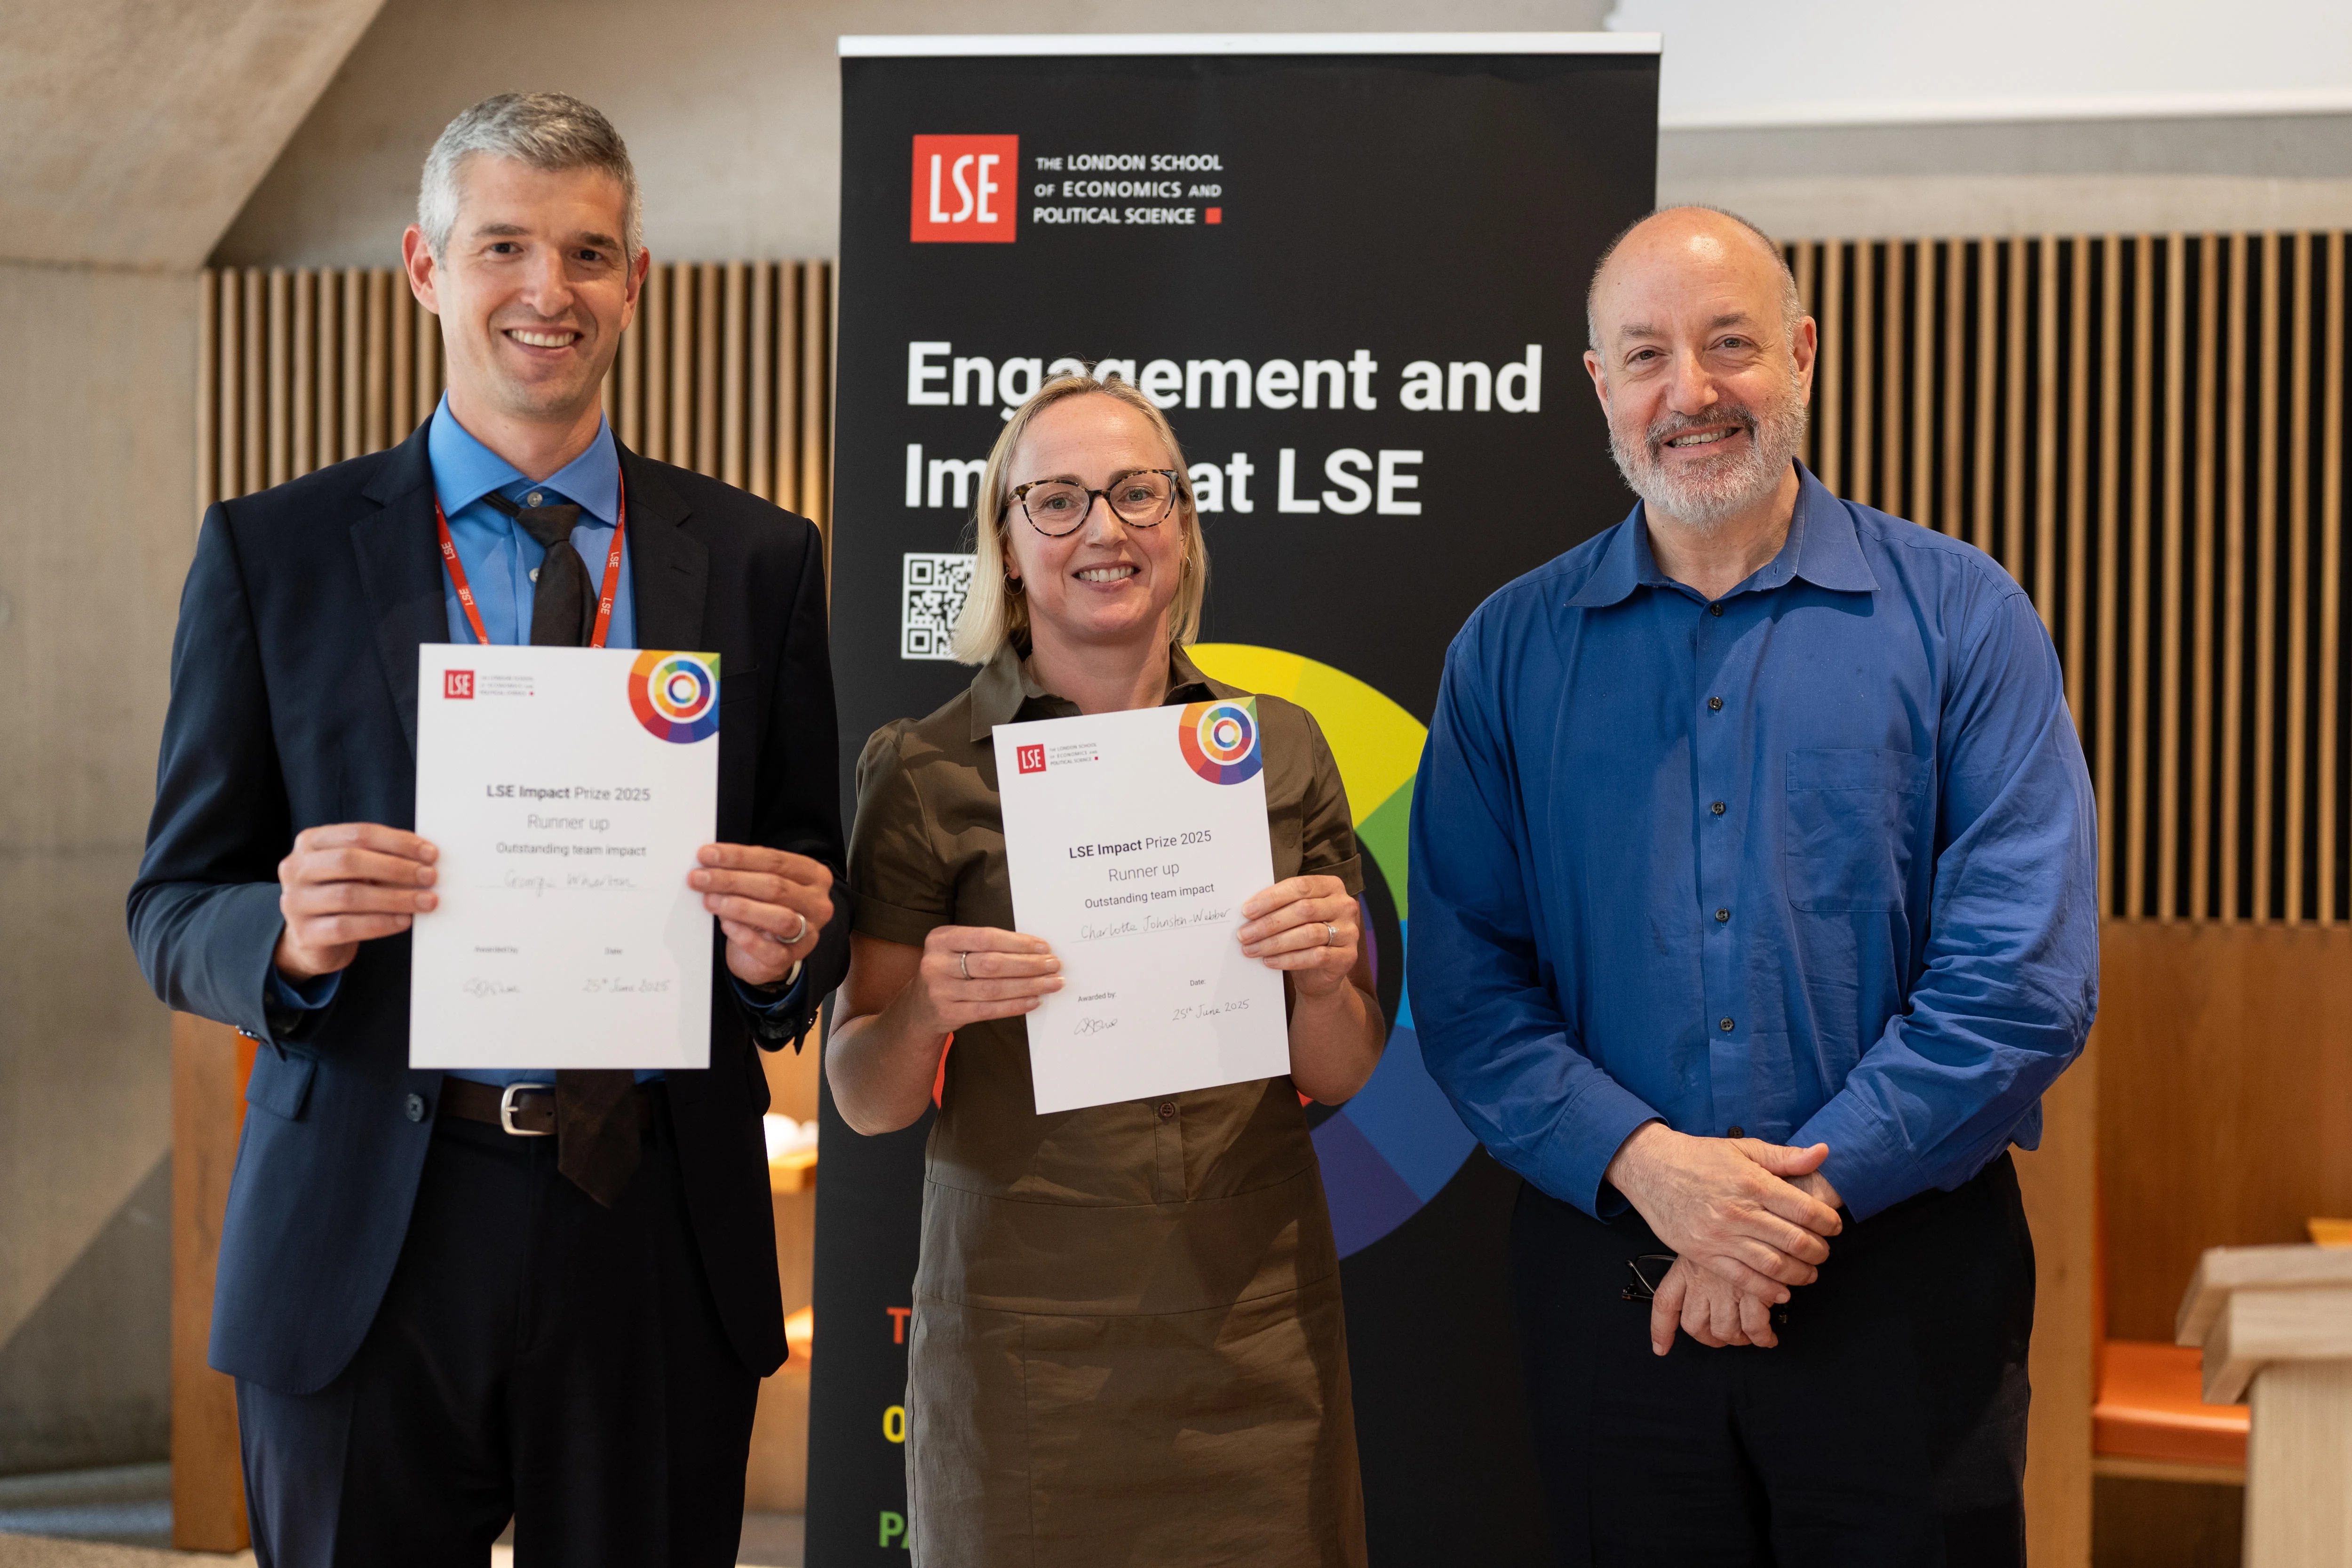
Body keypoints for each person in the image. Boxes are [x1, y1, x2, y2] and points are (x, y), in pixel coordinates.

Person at [127, 94, 846, 1566]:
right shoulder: (272, 555)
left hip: (651, 1226)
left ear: (637, 282)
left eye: (588, 254)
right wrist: (286, 927)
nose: (547, 291)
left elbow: (804, 886)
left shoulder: (763, 559)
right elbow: (171, 909)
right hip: (366, 1232)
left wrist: (786, 951)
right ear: (424, 268)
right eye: (504, 245)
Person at [1408, 206, 2098, 1566]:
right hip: (1614, 1286)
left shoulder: (1965, 615)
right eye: (1648, 354)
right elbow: (1470, 987)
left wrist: (1770, 1216)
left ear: (1803, 354)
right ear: (1600, 383)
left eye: (1731, 344)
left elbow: (2021, 980)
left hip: (1906, 1290)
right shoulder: (1506, 652)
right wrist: (1662, 1177)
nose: (1693, 392)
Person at [827, 374, 1381, 1567]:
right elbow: (864, 1095)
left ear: (1181, 530)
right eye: (1060, 501)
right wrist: (928, 1005)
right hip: (1028, 1344)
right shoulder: (923, 771)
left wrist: (1327, 980)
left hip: (1252, 1326)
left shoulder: (1276, 749)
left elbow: (1341, 1073)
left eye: (1140, 493)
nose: (1106, 530)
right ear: (1008, 543)